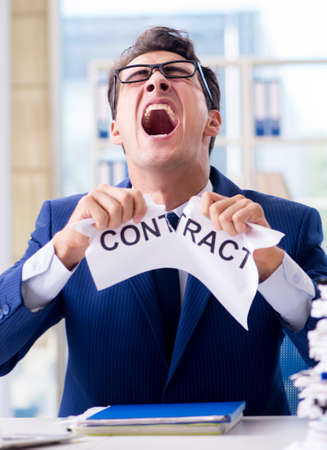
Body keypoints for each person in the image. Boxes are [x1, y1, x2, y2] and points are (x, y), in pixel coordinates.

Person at [0, 26, 327, 418]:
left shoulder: (286, 225)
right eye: (137, 78)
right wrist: (61, 254)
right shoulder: (63, 225)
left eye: (176, 73)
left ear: (213, 122)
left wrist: (275, 271)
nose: (156, 81)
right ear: (116, 130)